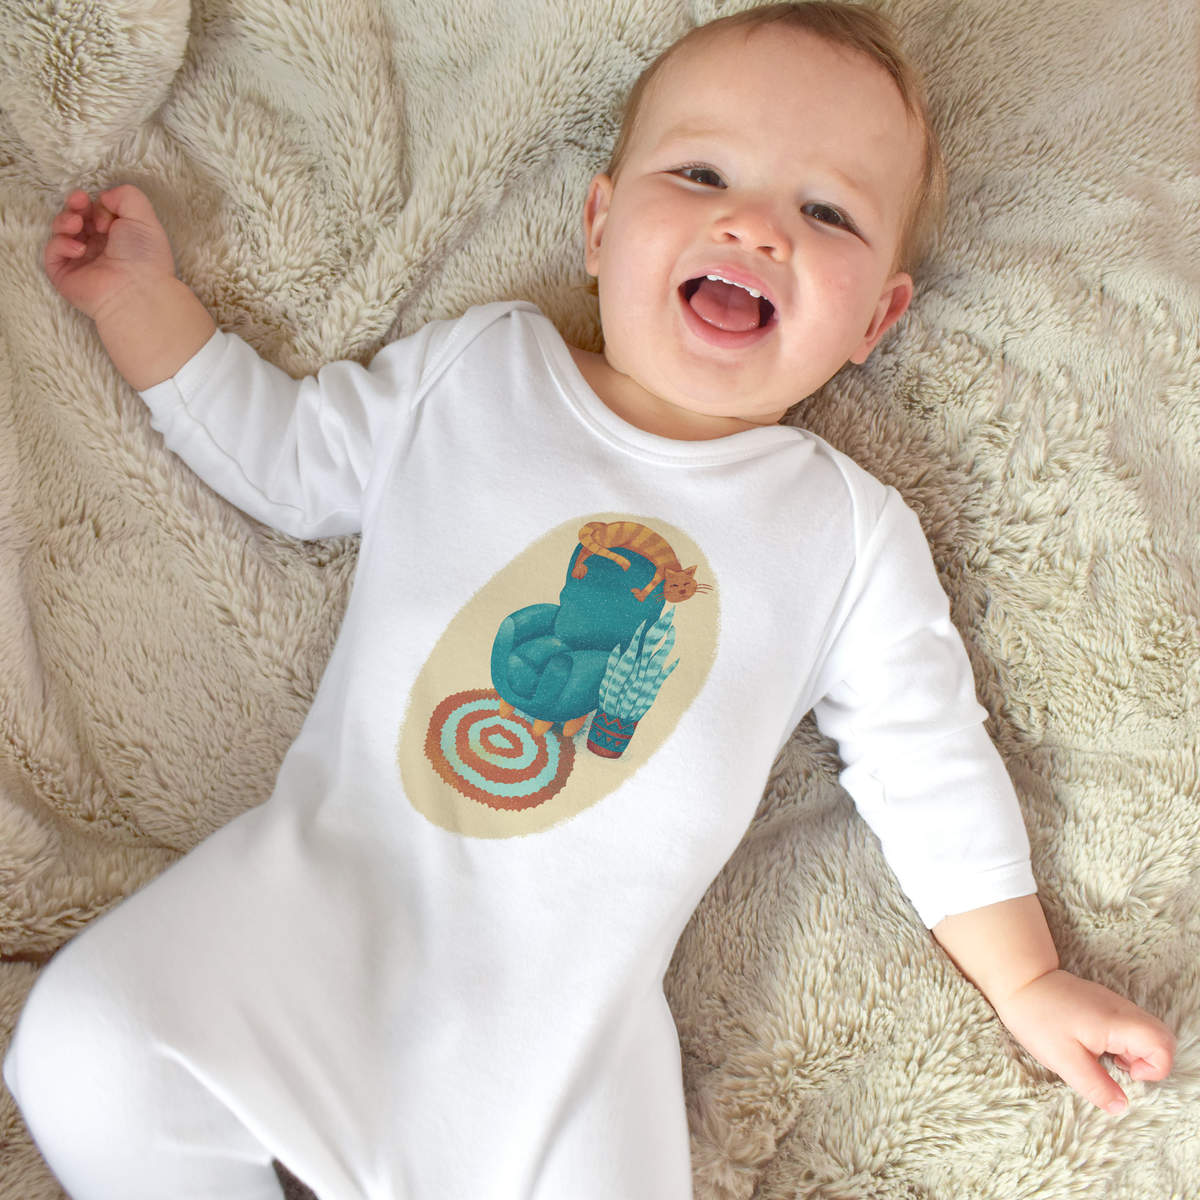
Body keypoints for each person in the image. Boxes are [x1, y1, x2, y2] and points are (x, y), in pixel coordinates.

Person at [5, 4, 1175, 1198]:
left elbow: (929, 761)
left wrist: (1027, 977)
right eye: (703, 174)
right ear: (601, 227)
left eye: (827, 213)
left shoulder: (846, 534)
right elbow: (289, 461)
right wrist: (139, 303)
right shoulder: (481, 375)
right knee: (88, 1044)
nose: (755, 225)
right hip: (320, 901)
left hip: (564, 1035)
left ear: (876, 317)